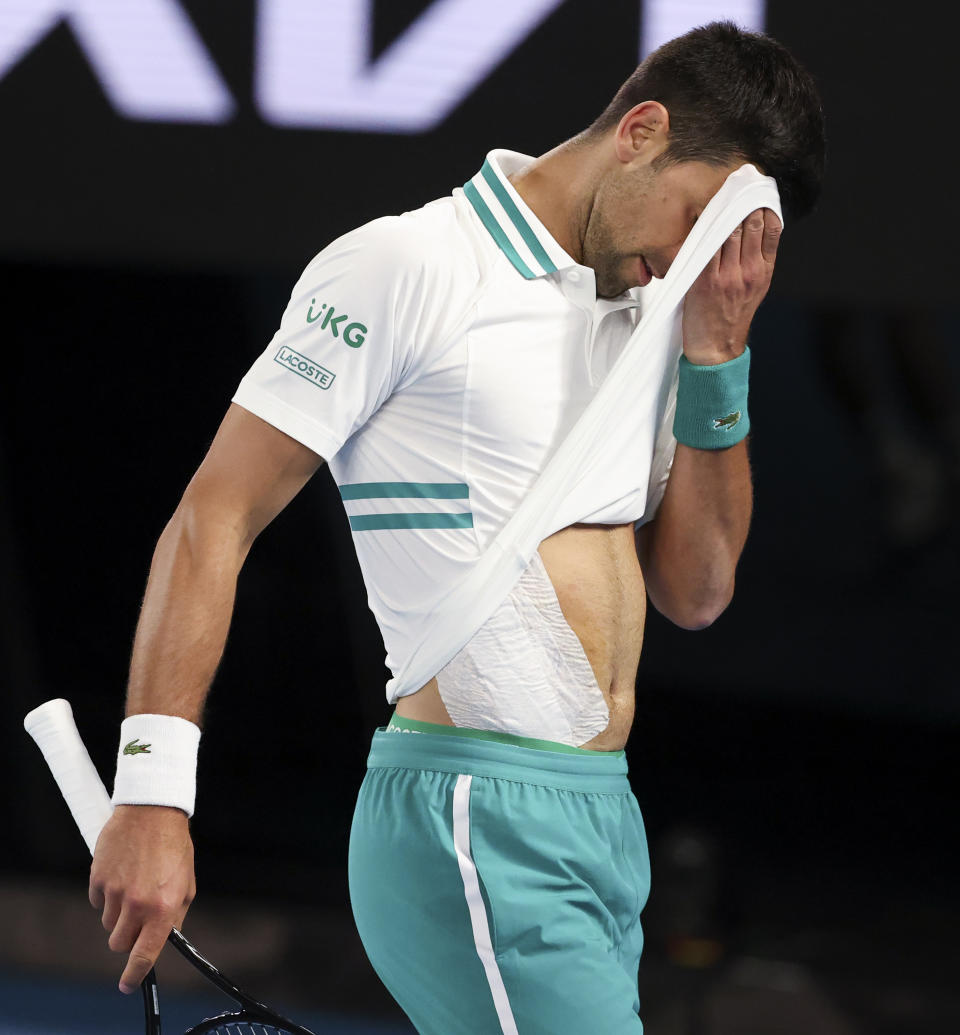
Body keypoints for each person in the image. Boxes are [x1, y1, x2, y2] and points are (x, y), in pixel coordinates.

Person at [88, 21, 824, 1035]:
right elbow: (214, 516)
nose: (688, 259)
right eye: (696, 216)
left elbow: (696, 592)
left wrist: (718, 354)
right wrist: (154, 796)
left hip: (603, 821)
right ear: (642, 130)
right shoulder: (406, 264)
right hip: (471, 817)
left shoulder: (658, 316)